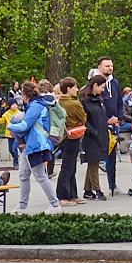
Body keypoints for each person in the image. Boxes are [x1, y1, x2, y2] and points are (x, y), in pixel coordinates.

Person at [6, 81, 62, 213]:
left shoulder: (35, 106)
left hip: (37, 145)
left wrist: (10, 126)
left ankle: (54, 204)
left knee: (40, 175)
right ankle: (22, 205)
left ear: (25, 96)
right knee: (24, 174)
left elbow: (25, 125)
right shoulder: (37, 104)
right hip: (32, 145)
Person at [56, 77, 87, 205]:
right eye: (75, 87)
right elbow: (83, 118)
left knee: (69, 166)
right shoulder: (74, 103)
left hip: (62, 136)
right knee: (68, 167)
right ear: (68, 89)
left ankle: (72, 194)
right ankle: (62, 196)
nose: (77, 89)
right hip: (73, 137)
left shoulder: (57, 102)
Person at [80, 75, 110, 201]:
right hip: (92, 136)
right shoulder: (84, 100)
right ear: (95, 86)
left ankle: (87, 190)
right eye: (102, 87)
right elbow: (84, 119)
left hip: (100, 134)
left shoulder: (98, 100)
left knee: (94, 162)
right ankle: (97, 190)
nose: (103, 90)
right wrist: (92, 131)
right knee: (93, 163)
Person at [96, 57, 123, 192]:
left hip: (114, 124)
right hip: (101, 124)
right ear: (99, 67)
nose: (110, 68)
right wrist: (105, 120)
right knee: (99, 155)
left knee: (112, 155)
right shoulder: (95, 84)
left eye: (111, 66)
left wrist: (118, 119)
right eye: (107, 66)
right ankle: (93, 186)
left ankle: (113, 184)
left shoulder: (115, 83)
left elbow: (119, 102)